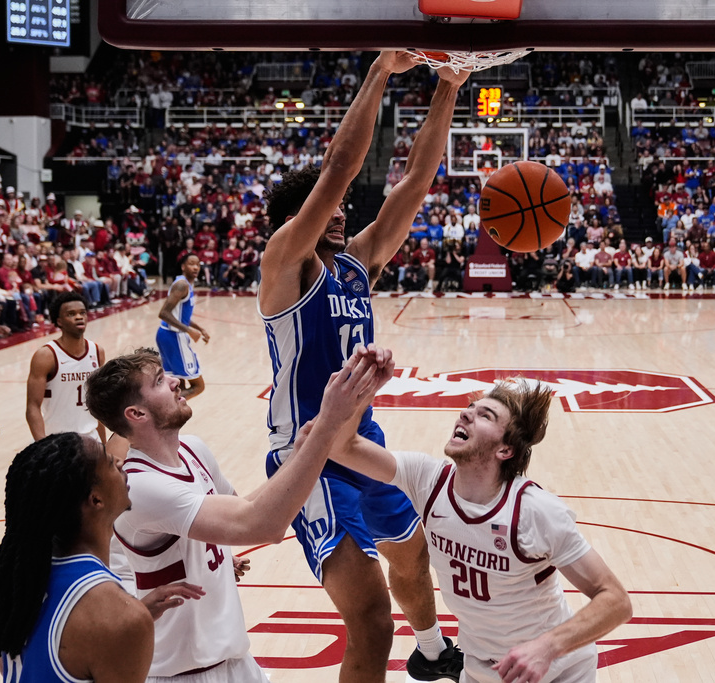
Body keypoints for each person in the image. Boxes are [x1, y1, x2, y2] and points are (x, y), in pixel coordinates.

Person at [259, 51, 469, 682]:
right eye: (333, 205)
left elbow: (414, 185)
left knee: (413, 557)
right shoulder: (285, 263)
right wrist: (381, 71)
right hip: (308, 453)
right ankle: (406, 644)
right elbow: (339, 167)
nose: (345, 208)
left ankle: (432, 650)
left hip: (363, 440)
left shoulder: (356, 264)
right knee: (372, 623)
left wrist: (448, 88)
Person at [324, 349, 633, 683]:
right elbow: (342, 448)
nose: (465, 415)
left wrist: (547, 647)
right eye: (469, 409)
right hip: (481, 668)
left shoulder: (535, 511)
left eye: (485, 415)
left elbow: (616, 601)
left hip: (556, 670)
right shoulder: (427, 478)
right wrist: (365, 392)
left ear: (505, 450)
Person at [84, 346, 386, 681]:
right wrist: (327, 425)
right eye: (159, 380)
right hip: (184, 673)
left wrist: (301, 453)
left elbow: (244, 507)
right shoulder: (140, 489)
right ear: (136, 414)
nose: (174, 381)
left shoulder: (193, 449)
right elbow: (261, 524)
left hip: (236, 661)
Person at [0, 433, 157, 680]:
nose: (120, 462)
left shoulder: (20, 586)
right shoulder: (118, 618)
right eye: (109, 462)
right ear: (96, 499)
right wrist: (130, 619)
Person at [26, 292, 107, 443]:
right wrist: (42, 445)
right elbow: (32, 407)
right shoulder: (46, 356)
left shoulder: (97, 352)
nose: (79, 317)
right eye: (71, 314)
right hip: (56, 441)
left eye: (82, 313)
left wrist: (104, 447)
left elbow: (98, 404)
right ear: (59, 321)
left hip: (91, 439)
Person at [156, 253, 209, 400]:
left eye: (198, 264)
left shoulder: (185, 284)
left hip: (167, 335)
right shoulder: (182, 285)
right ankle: (164, 410)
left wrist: (199, 328)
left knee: (178, 385)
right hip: (173, 336)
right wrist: (189, 330)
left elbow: (180, 316)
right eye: (192, 263)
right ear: (183, 266)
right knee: (198, 386)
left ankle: (172, 417)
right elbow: (164, 313)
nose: (195, 267)